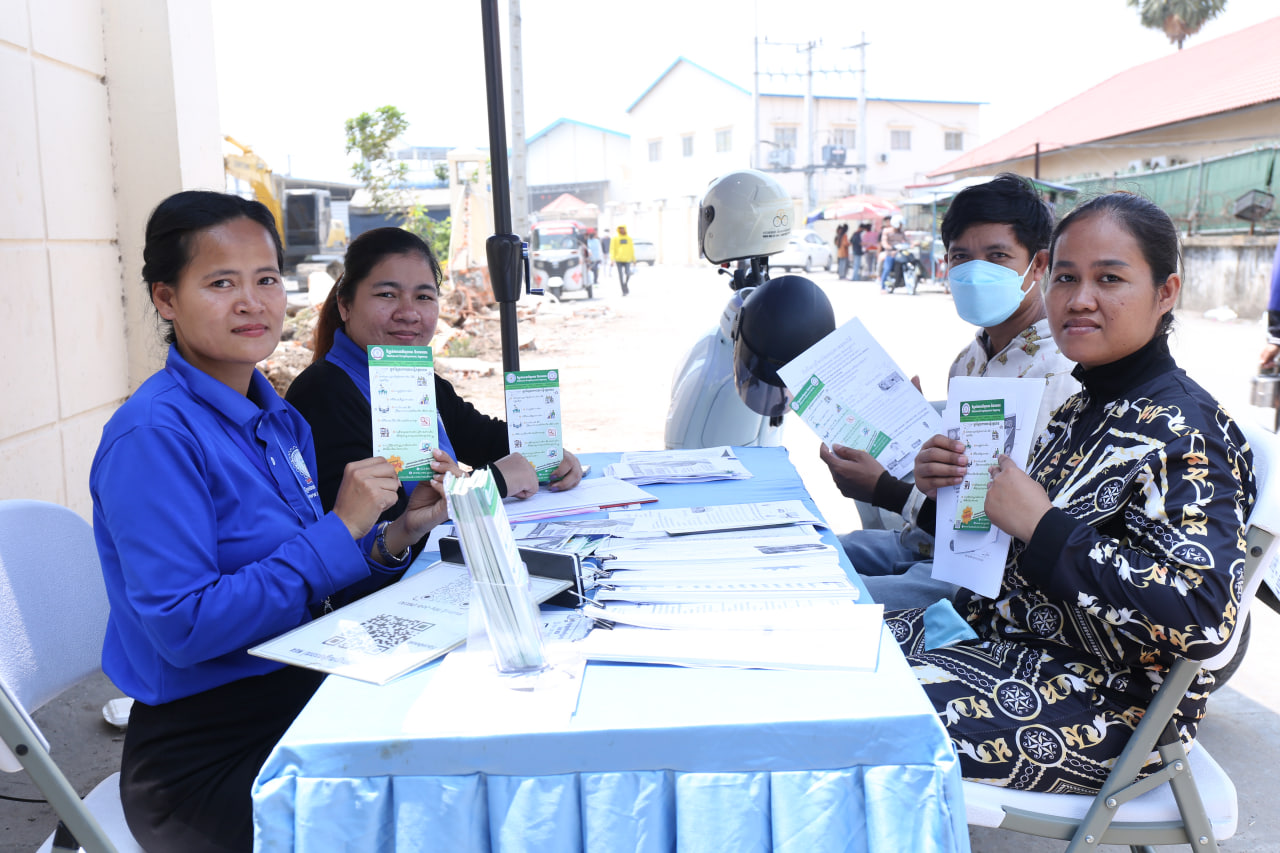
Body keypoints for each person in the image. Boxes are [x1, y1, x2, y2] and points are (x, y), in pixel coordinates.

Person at [892, 191, 1255, 794]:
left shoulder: (1188, 432)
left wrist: (1042, 524)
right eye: (1066, 277)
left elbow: (1203, 616)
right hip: (1001, 638)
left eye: (1109, 278)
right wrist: (946, 492)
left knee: (851, 719)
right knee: (823, 645)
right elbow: (1010, 545)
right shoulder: (1086, 404)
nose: (1080, 299)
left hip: (1106, 706)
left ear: (1166, 292)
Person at [90, 191, 415, 851]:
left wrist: (389, 537)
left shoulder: (275, 415)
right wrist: (337, 529)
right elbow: (184, 627)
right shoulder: (154, 435)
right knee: (426, 808)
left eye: (266, 278)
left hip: (298, 689)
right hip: (207, 756)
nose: (252, 301)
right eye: (220, 282)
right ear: (165, 298)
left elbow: (304, 578)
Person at [287, 227, 584, 607]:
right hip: (381, 599)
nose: (408, 313)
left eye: (424, 296)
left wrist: (546, 456)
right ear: (345, 305)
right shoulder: (324, 393)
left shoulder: (420, 378)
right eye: (387, 294)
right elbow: (379, 520)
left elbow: (483, 436)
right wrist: (493, 482)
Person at [821, 174, 1079, 610]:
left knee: (826, 602)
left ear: (1038, 266)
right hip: (920, 542)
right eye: (961, 256)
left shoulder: (1060, 375)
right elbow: (956, 488)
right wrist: (912, 437)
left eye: (997, 256)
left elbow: (1003, 530)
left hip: (982, 576)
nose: (975, 271)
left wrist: (885, 489)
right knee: (805, 559)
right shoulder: (968, 361)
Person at [878, 214, 908, 291]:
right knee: (887, 269)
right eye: (900, 224)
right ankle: (883, 287)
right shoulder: (886, 231)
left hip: (899, 253)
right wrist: (890, 247)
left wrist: (913, 243)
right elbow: (884, 242)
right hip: (890, 253)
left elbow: (907, 240)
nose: (901, 226)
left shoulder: (901, 232)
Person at [611, 224, 636, 295]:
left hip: (627, 259)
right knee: (620, 275)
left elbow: (631, 249)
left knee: (628, 273)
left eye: (623, 229)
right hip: (618, 259)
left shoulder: (629, 239)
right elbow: (612, 249)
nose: (622, 230)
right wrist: (612, 259)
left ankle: (625, 284)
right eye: (620, 229)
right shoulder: (615, 239)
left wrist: (634, 259)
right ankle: (623, 290)